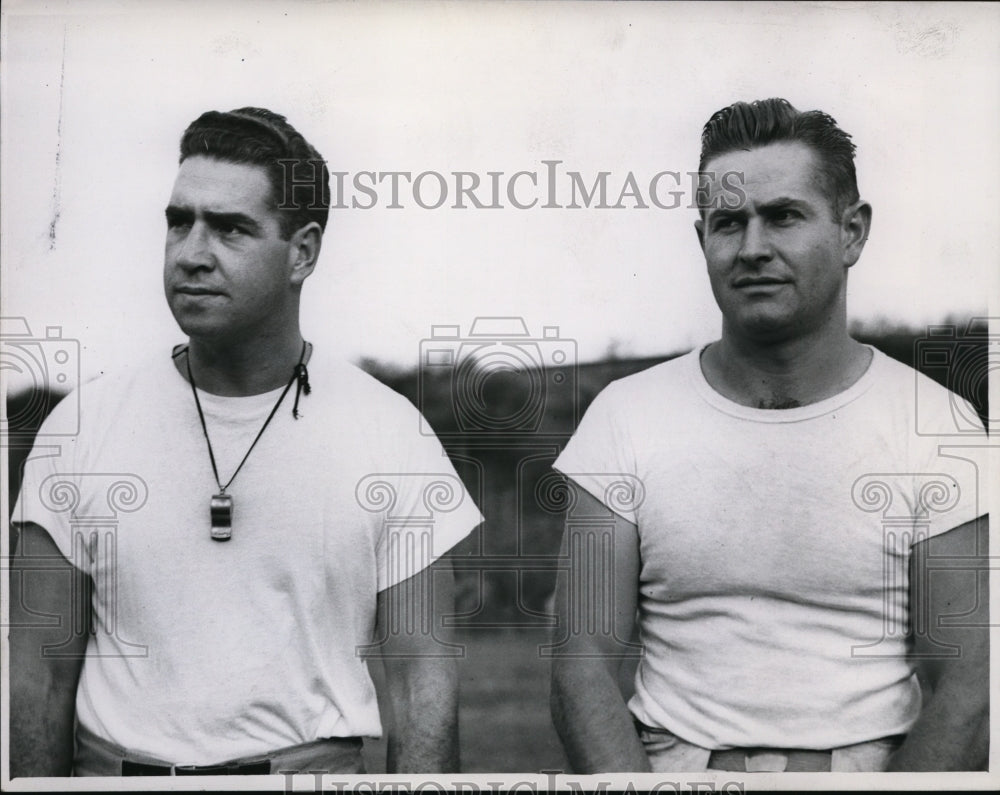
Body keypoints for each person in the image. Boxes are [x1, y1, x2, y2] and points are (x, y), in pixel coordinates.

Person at [9, 107, 482, 776]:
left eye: (231, 228)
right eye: (180, 221)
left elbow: (421, 690)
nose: (193, 252)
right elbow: (38, 681)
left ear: (303, 252)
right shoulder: (81, 427)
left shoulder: (390, 435)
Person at [549, 98, 989, 773]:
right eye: (729, 223)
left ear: (852, 232)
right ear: (703, 240)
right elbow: (581, 669)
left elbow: (969, 686)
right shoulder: (624, 416)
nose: (752, 248)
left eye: (783, 215)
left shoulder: (937, 426)